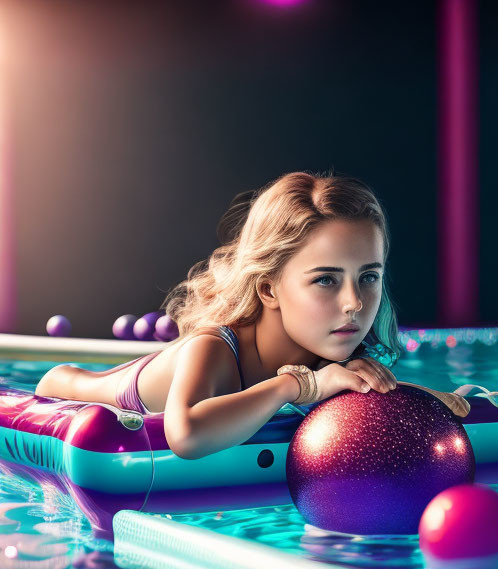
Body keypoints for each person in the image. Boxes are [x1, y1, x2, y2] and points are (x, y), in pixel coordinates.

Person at [36, 171, 468, 459]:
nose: (354, 302)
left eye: (369, 277)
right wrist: (296, 385)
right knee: (69, 379)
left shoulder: (328, 349)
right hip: (66, 390)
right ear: (268, 288)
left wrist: (418, 397)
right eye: (326, 280)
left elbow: (345, 389)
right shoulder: (213, 349)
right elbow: (185, 436)